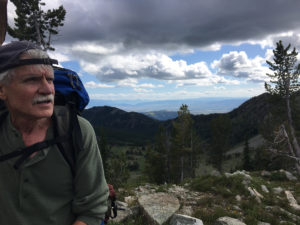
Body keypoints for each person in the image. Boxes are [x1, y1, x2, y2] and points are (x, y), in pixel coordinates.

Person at [0, 41, 108, 225]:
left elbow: (91, 210)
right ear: (2, 90)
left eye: (50, 79)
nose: (47, 89)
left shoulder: (76, 131)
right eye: (31, 80)